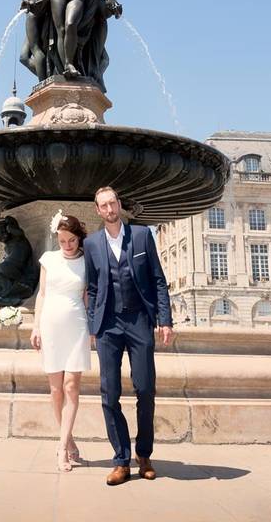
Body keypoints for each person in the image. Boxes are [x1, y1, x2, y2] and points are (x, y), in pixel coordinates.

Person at [83, 187, 171, 486]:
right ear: (98, 210)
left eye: (112, 203)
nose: (109, 209)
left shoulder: (143, 235)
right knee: (109, 393)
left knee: (145, 389)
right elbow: (93, 288)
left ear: (119, 205)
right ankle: (121, 459)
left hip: (139, 320)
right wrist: (93, 325)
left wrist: (165, 320)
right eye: (103, 205)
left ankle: (144, 454)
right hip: (108, 324)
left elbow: (158, 280)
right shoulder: (91, 243)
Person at [30, 211, 91, 472]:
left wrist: (92, 329)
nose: (66, 246)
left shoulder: (88, 263)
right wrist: (35, 326)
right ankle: (70, 440)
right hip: (51, 326)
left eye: (71, 241)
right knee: (55, 391)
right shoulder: (49, 259)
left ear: (79, 238)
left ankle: (62, 448)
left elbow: (87, 297)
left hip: (76, 325)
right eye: (62, 241)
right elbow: (42, 295)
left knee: (71, 387)